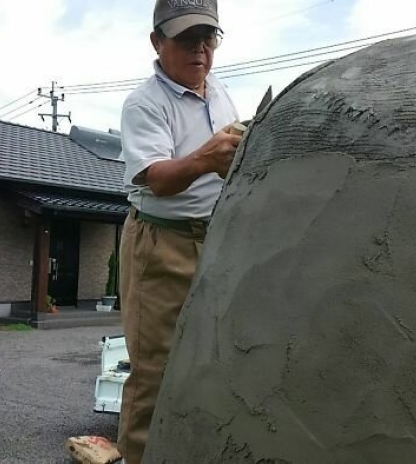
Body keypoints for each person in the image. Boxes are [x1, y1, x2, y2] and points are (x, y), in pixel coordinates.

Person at [117, 1, 242, 462]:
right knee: (155, 371)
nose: (200, 52)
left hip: (215, 239)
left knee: (210, 359)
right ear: (157, 42)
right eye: (187, 40)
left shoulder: (222, 93)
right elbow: (158, 179)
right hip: (160, 241)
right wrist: (207, 159)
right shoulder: (145, 104)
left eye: (208, 40)